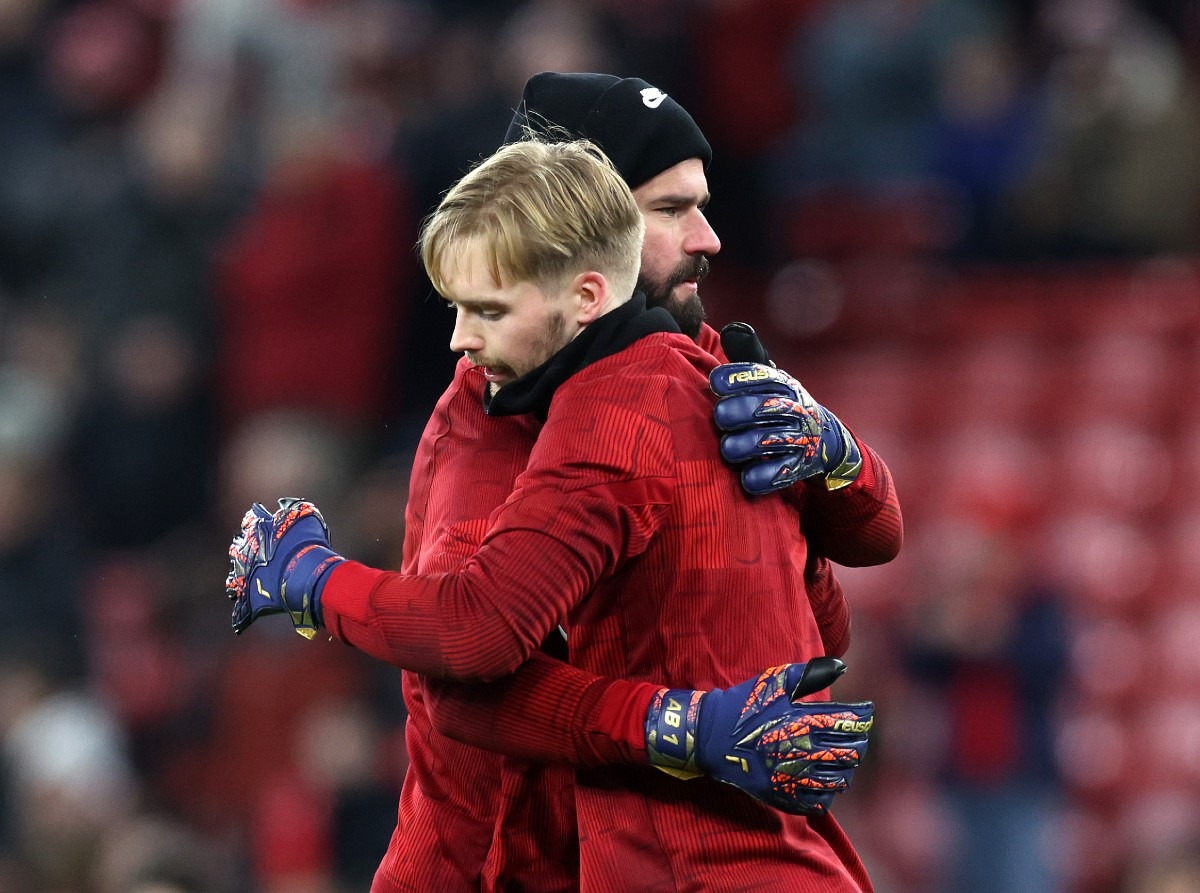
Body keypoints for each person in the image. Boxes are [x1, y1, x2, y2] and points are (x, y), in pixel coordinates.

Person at [227, 136, 882, 891]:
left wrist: (310, 580)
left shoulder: (595, 414)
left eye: (488, 309)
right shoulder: (728, 384)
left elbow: (471, 655)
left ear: (587, 294)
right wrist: (842, 465)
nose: (461, 339)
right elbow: (827, 624)